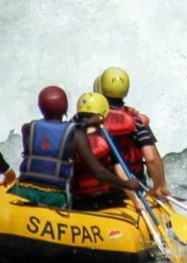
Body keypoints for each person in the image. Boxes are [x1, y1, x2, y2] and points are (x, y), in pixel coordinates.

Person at [9, 86, 139, 209]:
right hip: (54, 197)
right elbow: (98, 172)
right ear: (65, 107)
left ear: (40, 107)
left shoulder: (28, 129)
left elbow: (54, 137)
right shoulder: (77, 135)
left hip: (22, 190)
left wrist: (84, 124)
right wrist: (127, 184)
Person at [98, 66, 171, 200]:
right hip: (135, 186)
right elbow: (151, 158)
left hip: (101, 188)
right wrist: (160, 186)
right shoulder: (136, 121)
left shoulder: (93, 120)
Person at [70, 92, 140, 210]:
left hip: (76, 200)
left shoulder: (69, 135)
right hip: (104, 200)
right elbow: (122, 174)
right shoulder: (106, 138)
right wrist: (137, 202)